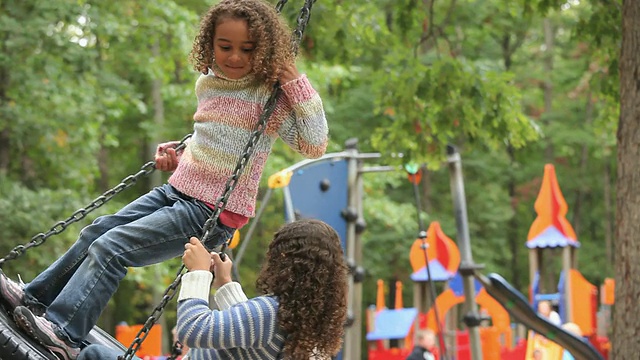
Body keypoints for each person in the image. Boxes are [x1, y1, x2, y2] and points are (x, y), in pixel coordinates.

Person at [0, 0, 328, 358]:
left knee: (113, 248)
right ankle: (35, 298)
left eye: (247, 50)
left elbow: (314, 143)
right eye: (225, 47)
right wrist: (179, 154)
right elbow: (215, 140)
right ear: (210, 44)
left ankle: (64, 333)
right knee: (96, 231)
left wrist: (295, 81)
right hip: (177, 192)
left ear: (264, 50)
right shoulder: (208, 82)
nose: (235, 57)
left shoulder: (270, 93)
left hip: (210, 213)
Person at [77, 219, 348, 359]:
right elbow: (251, 335)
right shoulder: (307, 329)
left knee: (92, 352)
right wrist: (225, 284)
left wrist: (197, 274)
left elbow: (192, 330)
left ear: (284, 262)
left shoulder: (272, 312)